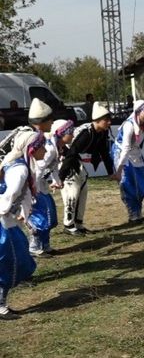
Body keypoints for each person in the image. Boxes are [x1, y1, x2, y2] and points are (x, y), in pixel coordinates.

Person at [0, 131, 45, 320]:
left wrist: (25, 215)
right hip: (4, 222)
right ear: (32, 149)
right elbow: (10, 194)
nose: (45, 148)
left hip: (8, 221)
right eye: (41, 145)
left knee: (19, 259)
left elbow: (24, 194)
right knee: (11, 260)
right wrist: (5, 209)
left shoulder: (20, 165)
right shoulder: (20, 169)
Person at [59, 103, 117, 234]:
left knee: (83, 189)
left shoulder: (102, 132)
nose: (109, 122)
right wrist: (60, 177)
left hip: (74, 158)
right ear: (97, 120)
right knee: (73, 190)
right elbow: (71, 153)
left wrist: (110, 172)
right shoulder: (86, 133)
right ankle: (68, 224)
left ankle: (78, 223)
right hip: (66, 158)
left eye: (109, 119)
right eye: (106, 120)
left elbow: (104, 152)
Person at [28, 119, 74, 257]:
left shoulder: (56, 147)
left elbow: (53, 167)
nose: (72, 135)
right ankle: (34, 246)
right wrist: (32, 191)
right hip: (36, 187)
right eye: (70, 132)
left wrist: (57, 180)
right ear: (61, 133)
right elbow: (38, 169)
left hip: (41, 186)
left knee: (50, 218)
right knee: (42, 218)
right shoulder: (49, 149)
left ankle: (45, 245)